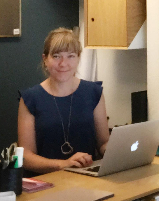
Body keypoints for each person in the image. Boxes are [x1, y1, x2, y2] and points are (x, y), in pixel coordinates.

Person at [18, 27, 110, 175]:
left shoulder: (94, 92)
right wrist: (64, 164)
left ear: (79, 58)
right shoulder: (30, 98)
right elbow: (26, 157)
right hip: (46, 183)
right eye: (56, 56)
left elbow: (103, 143)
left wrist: (120, 148)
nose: (63, 63)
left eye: (71, 56)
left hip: (87, 179)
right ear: (45, 59)